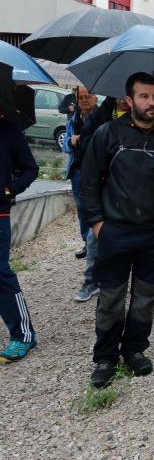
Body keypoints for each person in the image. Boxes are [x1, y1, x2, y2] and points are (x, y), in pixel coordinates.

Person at [80, 72, 154, 388]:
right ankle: (105, 356)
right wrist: (98, 224)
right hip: (116, 231)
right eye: (144, 96)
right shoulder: (108, 134)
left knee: (146, 297)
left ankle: (134, 350)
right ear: (129, 100)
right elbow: (89, 182)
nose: (152, 102)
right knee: (111, 297)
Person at [73, 97, 131, 302]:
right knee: (94, 237)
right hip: (104, 185)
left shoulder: (145, 118)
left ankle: (134, 284)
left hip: (131, 190)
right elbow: (86, 148)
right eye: (121, 95)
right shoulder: (101, 116)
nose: (124, 100)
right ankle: (90, 281)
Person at [0, 119, 39, 363]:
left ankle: (23, 334)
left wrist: (9, 190)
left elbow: (30, 169)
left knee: (0, 274)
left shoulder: (7, 129)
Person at [61, 87, 98, 259]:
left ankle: (98, 242)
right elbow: (64, 146)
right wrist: (70, 141)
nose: (84, 100)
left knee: (97, 207)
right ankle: (87, 242)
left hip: (97, 171)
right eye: (80, 97)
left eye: (87, 97)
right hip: (77, 170)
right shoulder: (73, 119)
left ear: (95, 98)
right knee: (82, 209)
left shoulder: (101, 117)